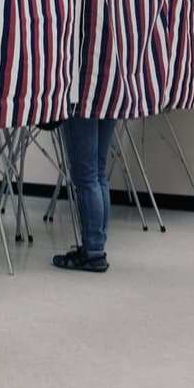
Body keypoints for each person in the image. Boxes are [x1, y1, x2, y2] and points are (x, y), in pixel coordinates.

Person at [54, 117, 118, 272]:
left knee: (87, 175)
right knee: (98, 172)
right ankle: (97, 246)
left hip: (81, 105)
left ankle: (93, 251)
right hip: (110, 103)